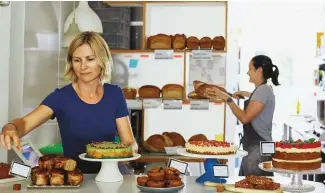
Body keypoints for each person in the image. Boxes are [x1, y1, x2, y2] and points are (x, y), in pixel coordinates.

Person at [0, 31, 138, 174]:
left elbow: (129, 143)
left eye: (90, 59)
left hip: (112, 175)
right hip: (76, 178)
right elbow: (24, 124)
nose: (83, 67)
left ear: (103, 60)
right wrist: (10, 127)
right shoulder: (61, 97)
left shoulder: (114, 94)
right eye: (77, 60)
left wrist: (126, 155)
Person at [205, 55, 280, 176]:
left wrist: (229, 100)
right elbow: (259, 101)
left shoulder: (263, 90)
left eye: (250, 69)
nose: (247, 72)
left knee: (255, 186)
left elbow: (245, 118)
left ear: (259, 70)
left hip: (257, 148)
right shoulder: (264, 89)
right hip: (258, 146)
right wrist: (246, 94)